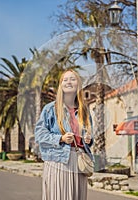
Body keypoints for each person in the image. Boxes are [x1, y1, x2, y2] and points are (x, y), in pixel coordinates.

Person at [35, 69, 93, 200]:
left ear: (78, 84)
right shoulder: (50, 109)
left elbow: (89, 133)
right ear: (61, 85)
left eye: (72, 79)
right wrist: (60, 138)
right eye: (65, 80)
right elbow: (39, 134)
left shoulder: (84, 110)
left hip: (79, 162)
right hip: (58, 160)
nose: (69, 82)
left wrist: (88, 139)